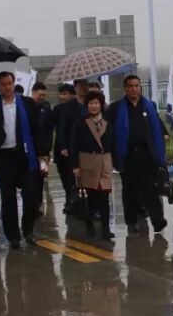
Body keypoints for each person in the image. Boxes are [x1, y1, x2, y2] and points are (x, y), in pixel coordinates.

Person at [0, 71, 49, 249]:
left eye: (10, 83)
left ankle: (27, 230)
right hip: (4, 157)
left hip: (25, 155)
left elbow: (38, 130)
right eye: (3, 84)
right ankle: (12, 236)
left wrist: (43, 153)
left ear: (14, 84)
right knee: (8, 198)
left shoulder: (27, 104)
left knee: (30, 196)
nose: (7, 87)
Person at [111, 75, 170, 235]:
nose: (134, 89)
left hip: (147, 154)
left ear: (140, 87)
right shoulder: (116, 107)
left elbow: (156, 123)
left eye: (136, 85)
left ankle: (158, 221)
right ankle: (131, 221)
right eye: (130, 86)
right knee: (130, 190)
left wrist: (164, 134)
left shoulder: (149, 105)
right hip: (127, 155)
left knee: (151, 188)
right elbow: (109, 131)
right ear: (125, 88)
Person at [71, 90, 115, 241]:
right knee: (92, 198)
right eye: (90, 103)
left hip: (105, 162)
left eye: (96, 103)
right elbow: (74, 145)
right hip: (87, 163)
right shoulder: (80, 123)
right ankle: (89, 222)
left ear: (101, 104)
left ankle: (106, 229)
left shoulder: (108, 121)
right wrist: (75, 166)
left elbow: (113, 143)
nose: (93, 106)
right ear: (87, 105)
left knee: (104, 197)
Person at [49, 83, 81, 213]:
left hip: (74, 148)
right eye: (60, 94)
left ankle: (73, 200)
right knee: (64, 176)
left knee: (72, 177)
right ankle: (69, 197)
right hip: (60, 149)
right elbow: (54, 127)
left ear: (73, 95)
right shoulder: (57, 109)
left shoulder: (78, 108)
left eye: (65, 94)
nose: (62, 97)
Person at [31, 81, 53, 211]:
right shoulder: (27, 106)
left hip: (42, 150)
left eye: (44, 95)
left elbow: (49, 130)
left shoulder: (46, 107)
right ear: (33, 93)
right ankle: (31, 204)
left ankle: (37, 205)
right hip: (29, 149)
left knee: (40, 179)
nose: (42, 97)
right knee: (30, 179)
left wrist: (47, 151)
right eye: (40, 95)